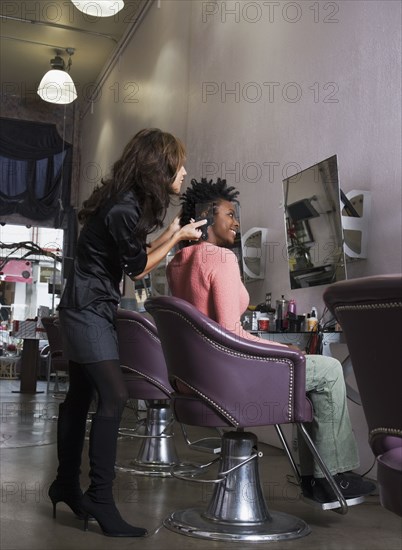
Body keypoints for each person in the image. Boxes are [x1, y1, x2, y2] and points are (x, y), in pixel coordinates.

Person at [166, 177, 375, 504]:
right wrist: (283, 349)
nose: (236, 222)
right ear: (207, 216)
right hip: (226, 381)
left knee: (303, 375)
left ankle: (317, 479)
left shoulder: (177, 264)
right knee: (330, 369)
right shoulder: (221, 259)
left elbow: (213, 333)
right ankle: (331, 478)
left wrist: (281, 352)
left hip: (194, 380)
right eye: (230, 214)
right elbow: (230, 336)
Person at [49, 129, 206, 537]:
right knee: (114, 395)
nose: (185, 171)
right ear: (160, 167)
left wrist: (174, 234)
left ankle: (65, 484)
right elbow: (137, 271)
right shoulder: (124, 208)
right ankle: (100, 498)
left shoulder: (127, 203)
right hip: (87, 308)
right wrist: (174, 240)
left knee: (81, 395)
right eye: (179, 164)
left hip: (91, 304)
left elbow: (133, 258)